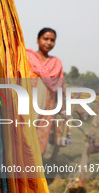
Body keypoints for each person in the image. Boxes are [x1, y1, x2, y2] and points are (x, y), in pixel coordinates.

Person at [26, 27, 65, 155]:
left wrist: (63, 108)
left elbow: (60, 87)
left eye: (52, 40)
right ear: (38, 40)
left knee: (38, 144)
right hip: (25, 107)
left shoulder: (56, 63)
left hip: (47, 109)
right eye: (45, 38)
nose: (49, 43)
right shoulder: (26, 57)